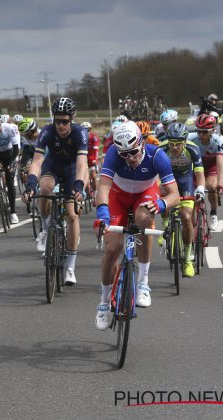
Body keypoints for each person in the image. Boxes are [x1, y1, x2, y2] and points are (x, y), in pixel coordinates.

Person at [94, 121, 179, 330]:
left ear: (141, 143)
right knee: (112, 248)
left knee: (144, 217)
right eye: (124, 154)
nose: (130, 159)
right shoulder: (114, 153)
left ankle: (143, 282)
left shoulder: (157, 155)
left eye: (133, 152)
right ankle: (104, 302)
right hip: (118, 197)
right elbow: (103, 186)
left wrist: (162, 203)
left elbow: (174, 193)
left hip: (145, 194)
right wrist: (103, 213)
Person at [22, 97, 87, 286]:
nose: (60, 125)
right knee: (45, 188)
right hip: (53, 167)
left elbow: (82, 164)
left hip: (72, 170)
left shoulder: (79, 133)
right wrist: (30, 184)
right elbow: (36, 162)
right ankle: (44, 227)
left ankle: (70, 267)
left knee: (72, 214)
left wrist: (79, 186)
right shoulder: (47, 132)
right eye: (57, 120)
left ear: (71, 119)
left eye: (65, 121)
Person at [158, 123, 206, 278]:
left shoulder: (192, 148)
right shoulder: (162, 148)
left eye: (178, 143)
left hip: (186, 179)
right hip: (168, 178)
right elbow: (155, 174)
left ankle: (186, 259)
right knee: (163, 197)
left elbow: (199, 173)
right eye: (172, 143)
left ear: (184, 141)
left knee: (186, 216)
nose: (174, 147)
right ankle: (165, 226)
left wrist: (199, 188)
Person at [188, 114, 223, 230]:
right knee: (191, 194)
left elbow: (220, 166)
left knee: (211, 186)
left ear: (212, 131)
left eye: (204, 132)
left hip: (211, 167)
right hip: (196, 167)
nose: (201, 135)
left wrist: (220, 185)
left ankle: (213, 214)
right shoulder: (190, 139)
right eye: (199, 131)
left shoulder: (218, 142)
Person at [80, 121, 100, 200]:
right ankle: (86, 191)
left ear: (90, 130)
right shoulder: (79, 138)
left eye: (87, 130)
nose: (86, 132)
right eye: (84, 130)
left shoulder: (93, 137)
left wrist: (95, 160)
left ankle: (95, 193)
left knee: (93, 175)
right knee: (85, 177)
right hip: (83, 159)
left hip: (92, 159)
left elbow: (96, 150)